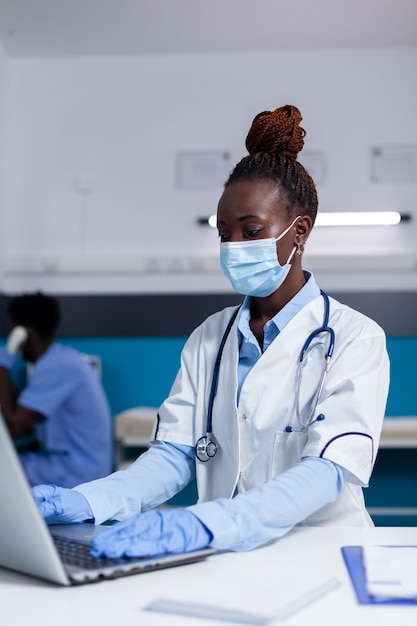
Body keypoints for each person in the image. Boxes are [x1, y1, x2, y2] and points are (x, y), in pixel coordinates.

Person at [32, 105, 389, 558]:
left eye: (251, 230)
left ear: (299, 232)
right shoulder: (210, 337)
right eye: (224, 234)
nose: (233, 247)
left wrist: (215, 521)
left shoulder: (355, 337)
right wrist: (90, 500)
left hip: (322, 553)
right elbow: (175, 454)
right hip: (224, 554)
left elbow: (329, 468)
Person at [0, 291, 112, 487]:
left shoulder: (56, 366)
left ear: (25, 334)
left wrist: (3, 363)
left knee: (8, 473)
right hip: (76, 466)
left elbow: (12, 426)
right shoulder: (60, 359)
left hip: (76, 472)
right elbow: (20, 411)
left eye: (12, 332)